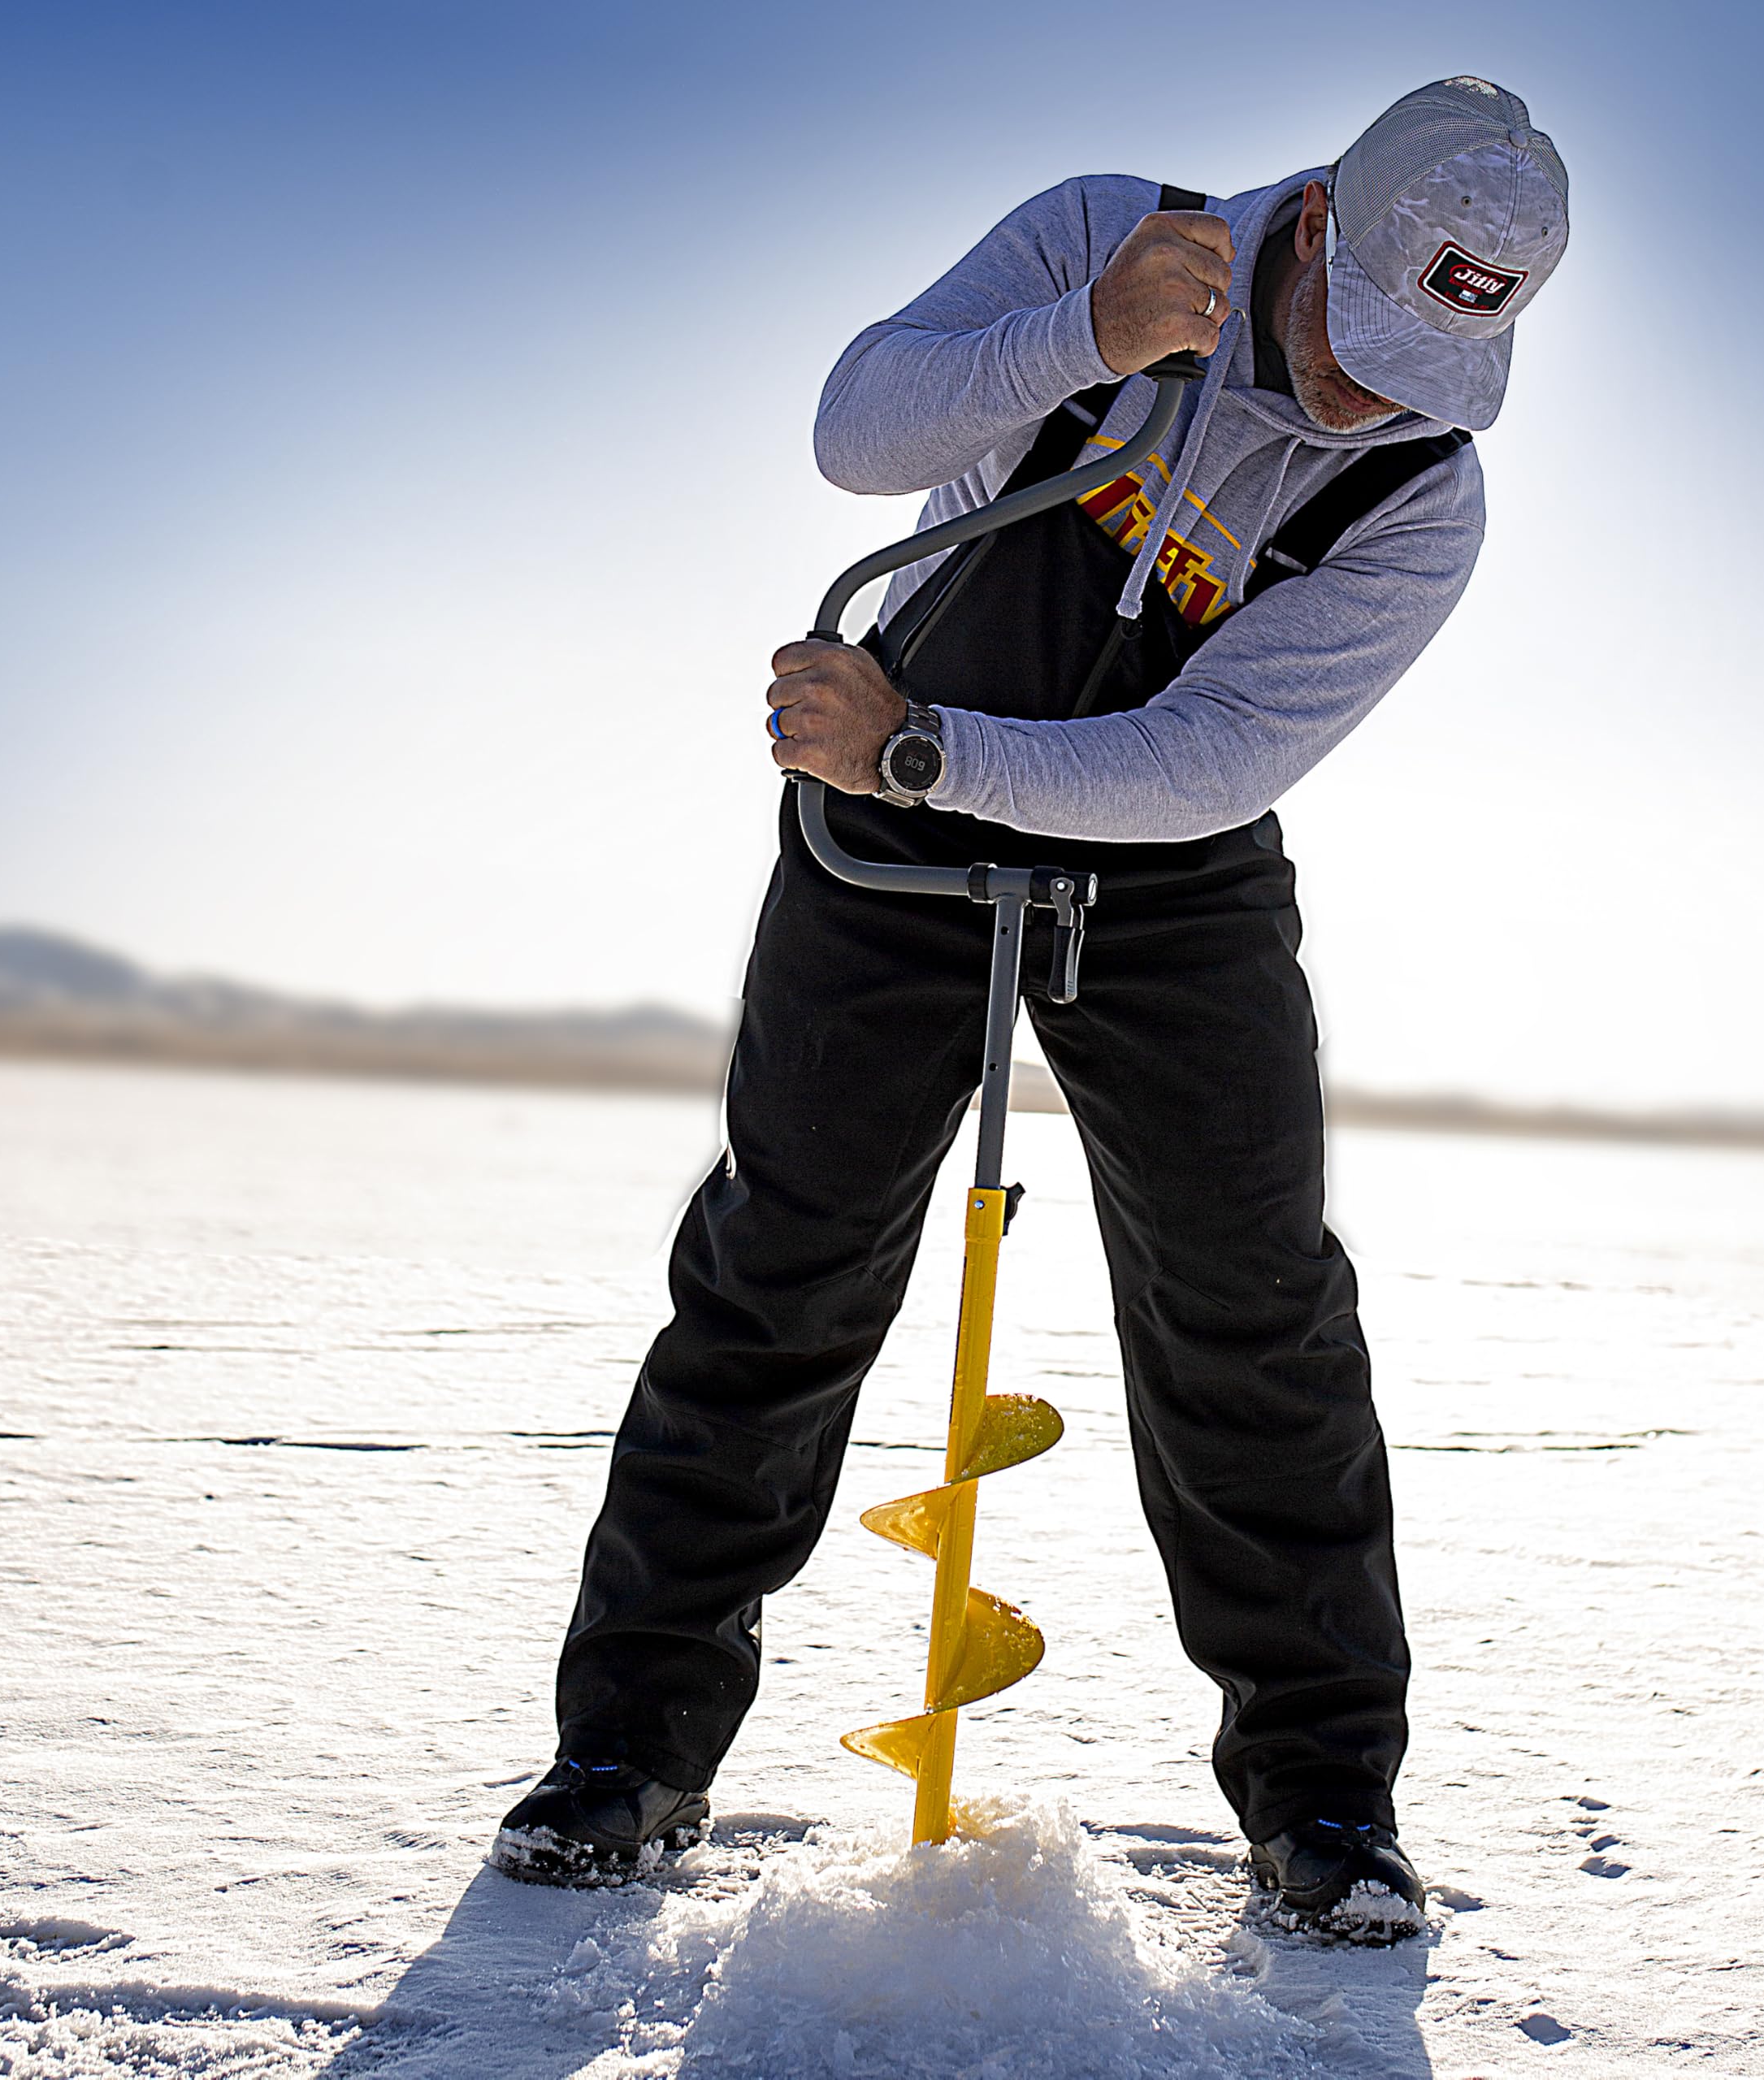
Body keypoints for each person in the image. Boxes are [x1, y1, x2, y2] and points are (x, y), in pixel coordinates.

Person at [492, 76, 1569, 1935]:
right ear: (1309, 223)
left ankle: (1321, 1802)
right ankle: (631, 1754)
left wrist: (920, 746)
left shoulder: (1421, 494)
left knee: (1252, 1301)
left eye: (1425, 366)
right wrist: (1085, 335)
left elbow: (1206, 751)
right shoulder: (1106, 231)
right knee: (782, 1256)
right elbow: (854, 431)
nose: (1369, 396)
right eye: (1358, 341)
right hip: (882, 826)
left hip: (1153, 843)